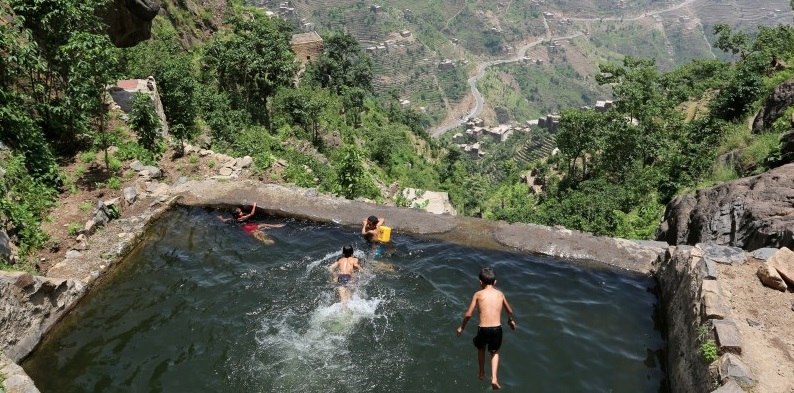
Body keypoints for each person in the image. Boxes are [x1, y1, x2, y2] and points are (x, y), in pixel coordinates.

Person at [456, 267, 517, 390]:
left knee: (481, 349)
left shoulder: (478, 294)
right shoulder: (500, 294)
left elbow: (468, 314)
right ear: (495, 282)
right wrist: (510, 320)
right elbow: (509, 310)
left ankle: (482, 373)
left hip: (483, 329)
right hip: (497, 329)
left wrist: (461, 327)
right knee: (494, 352)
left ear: (480, 282)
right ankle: (494, 377)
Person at [218, 203, 284, 244]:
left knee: (257, 231)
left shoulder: (235, 219)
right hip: (248, 226)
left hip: (246, 227)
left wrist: (220, 217)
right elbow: (251, 214)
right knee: (260, 228)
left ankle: (265, 239)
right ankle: (268, 236)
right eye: (240, 212)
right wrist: (254, 206)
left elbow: (224, 220)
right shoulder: (242, 217)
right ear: (237, 214)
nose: (241, 212)